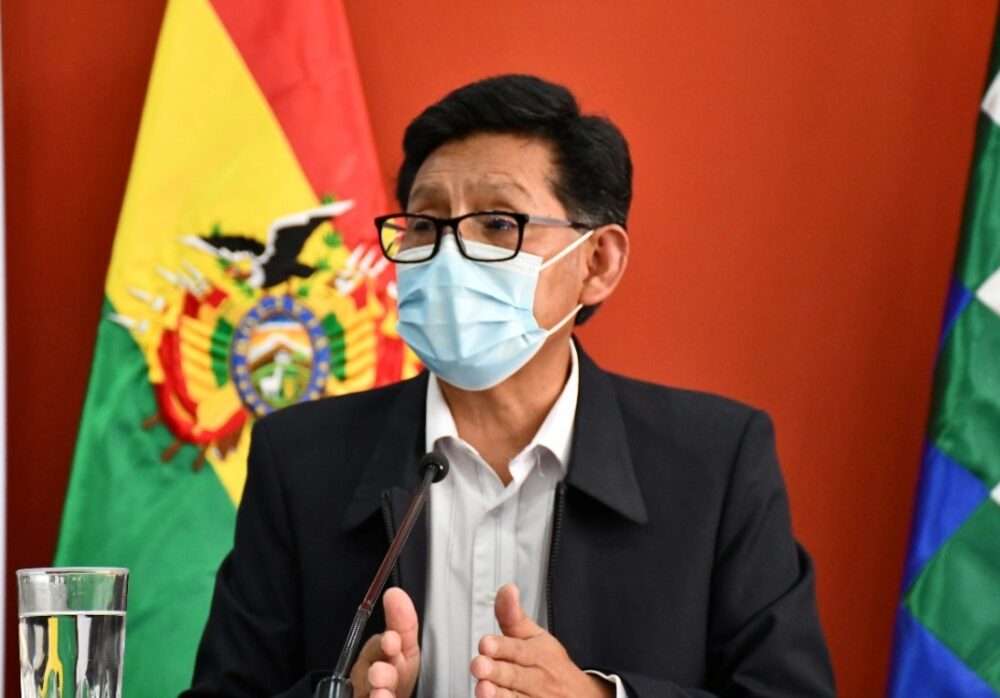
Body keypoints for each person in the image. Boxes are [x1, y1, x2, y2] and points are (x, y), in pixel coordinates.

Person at [183, 74, 836, 698]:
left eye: (498, 223)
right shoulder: (302, 461)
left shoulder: (713, 465)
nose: (447, 254)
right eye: (425, 224)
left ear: (597, 263)